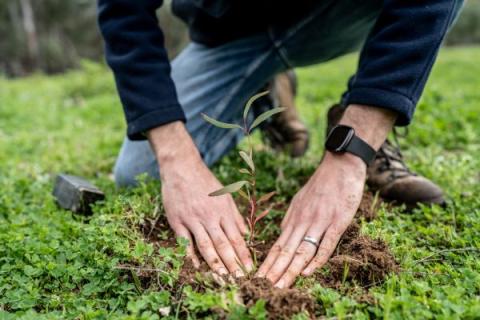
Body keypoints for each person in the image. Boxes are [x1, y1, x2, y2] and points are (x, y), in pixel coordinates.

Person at [98, 0, 463, 288]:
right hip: (229, 29)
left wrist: (352, 151)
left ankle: (356, 125)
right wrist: (176, 156)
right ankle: (265, 93)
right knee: (139, 172)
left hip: (338, 10)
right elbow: (123, 11)